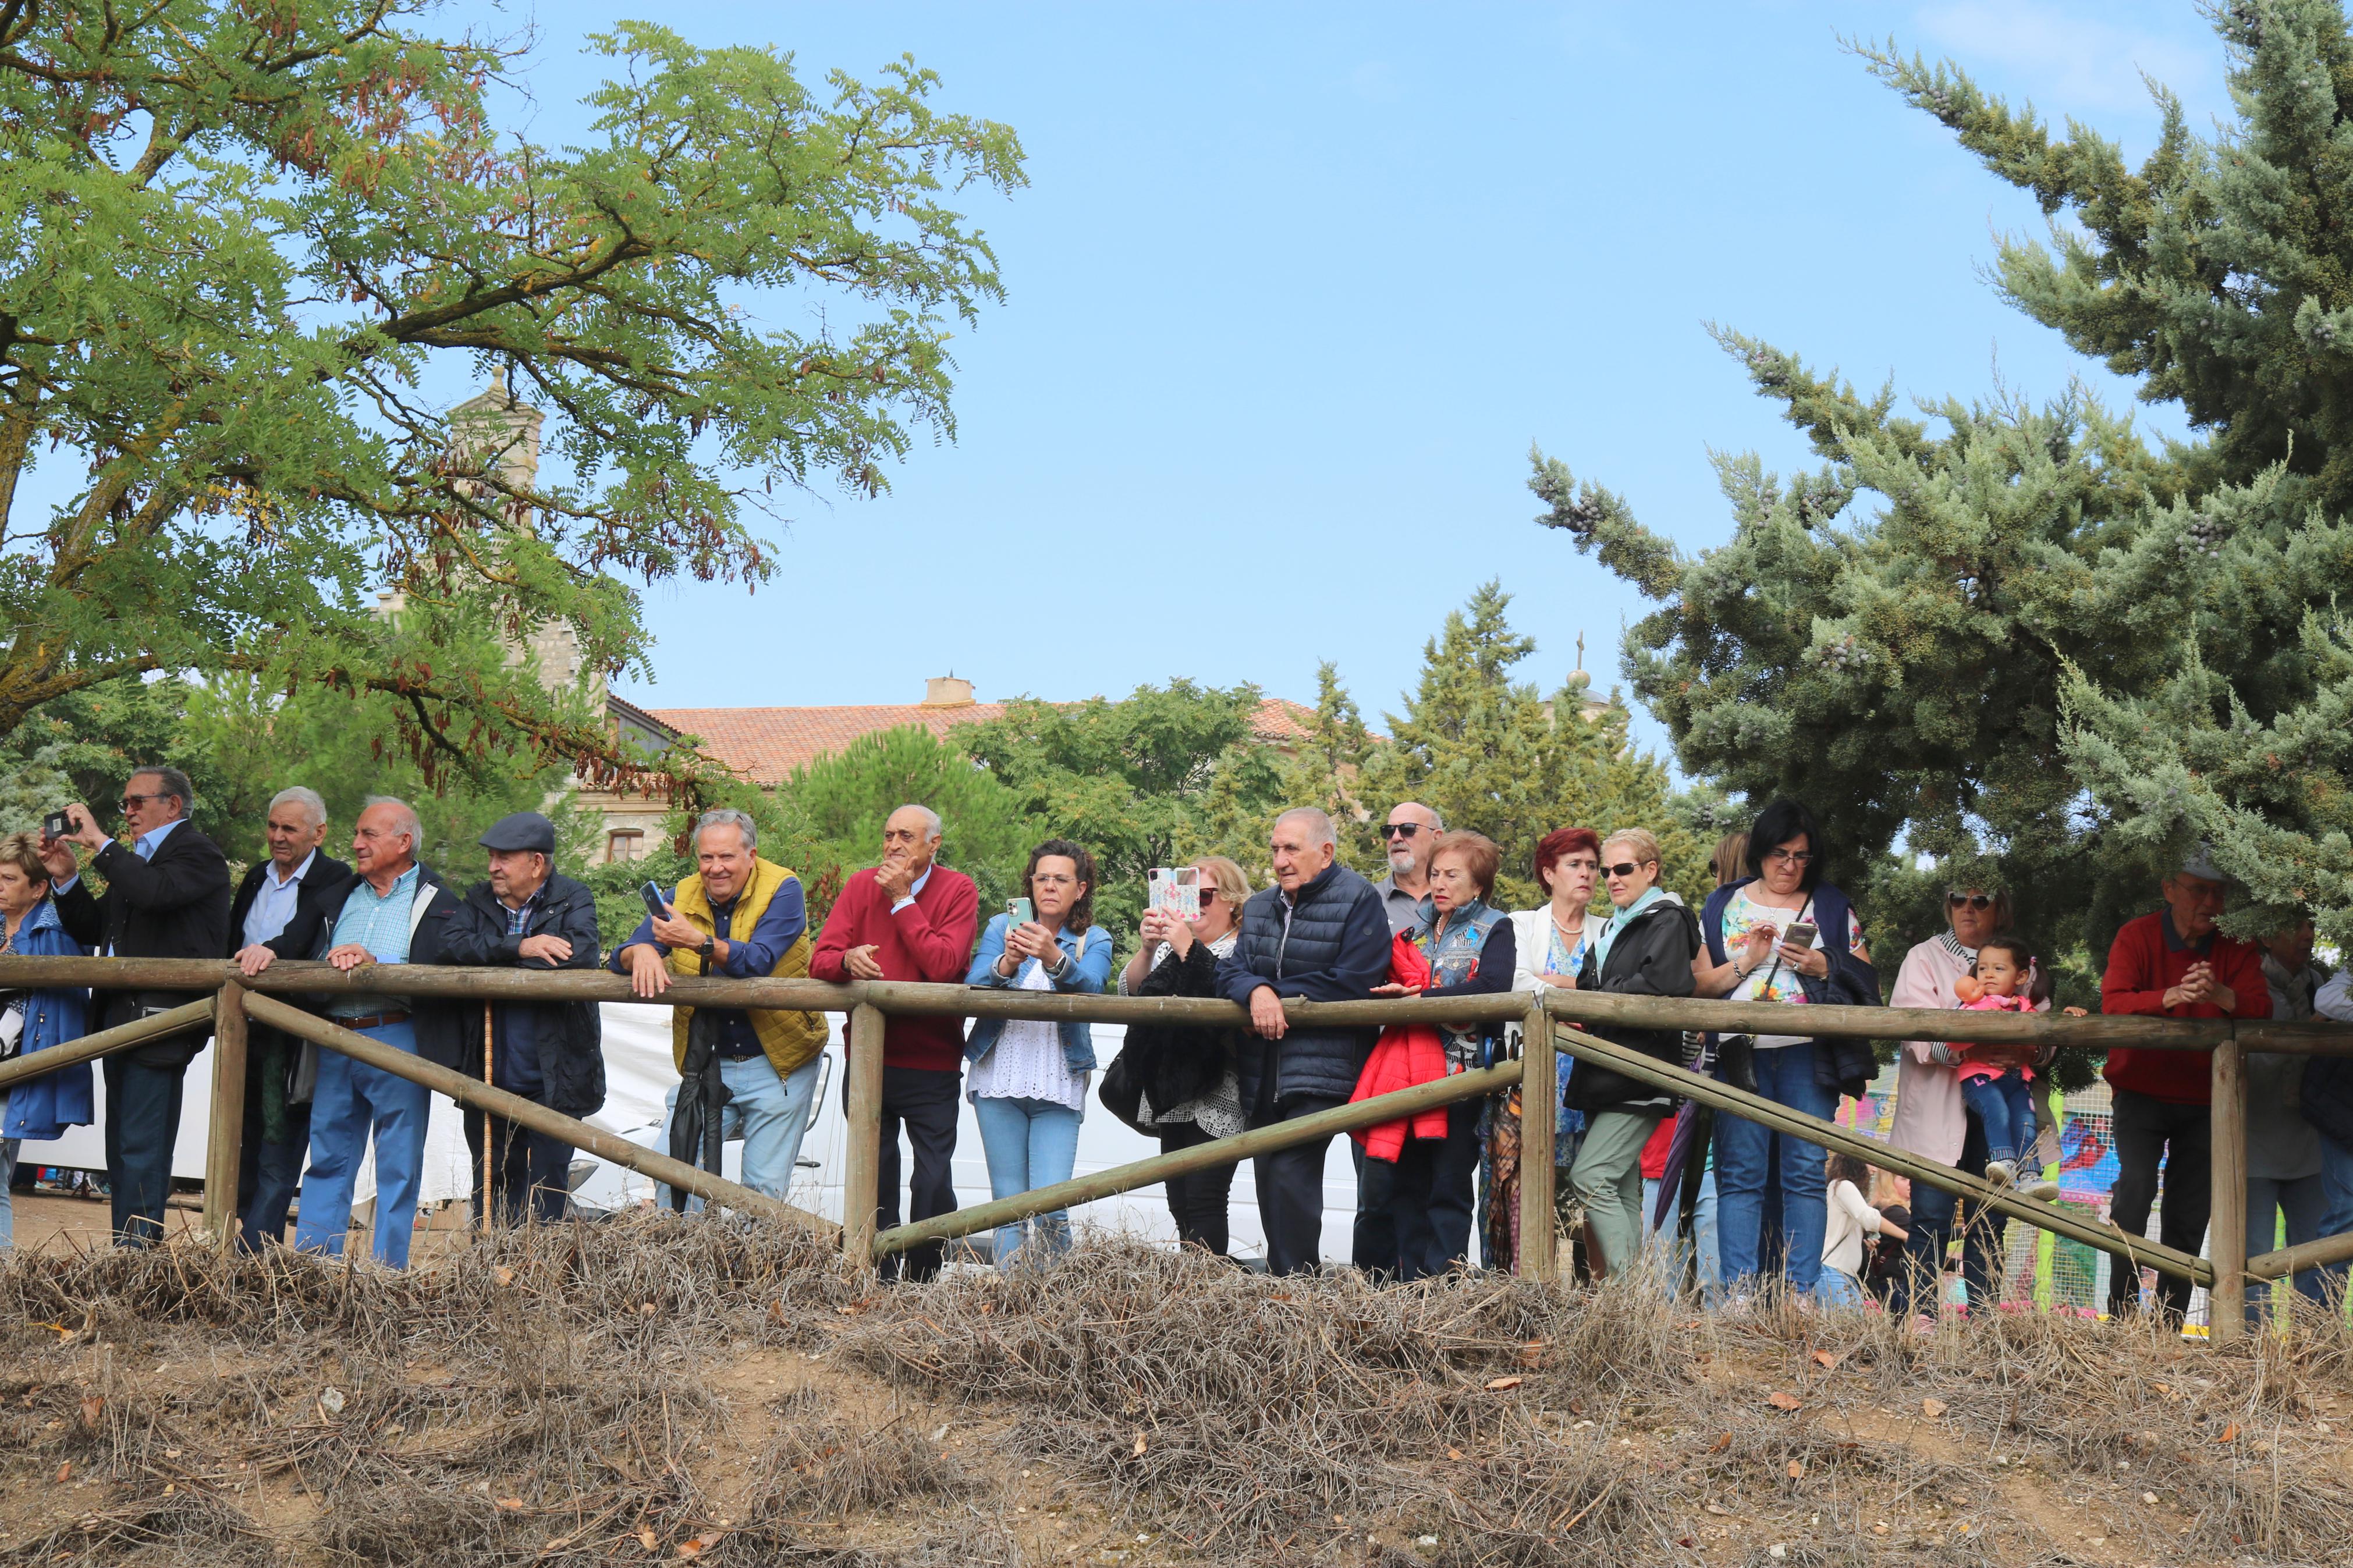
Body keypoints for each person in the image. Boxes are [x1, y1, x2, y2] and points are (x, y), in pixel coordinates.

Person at [244, 797, 465, 1268]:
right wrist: (267, 951)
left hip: (399, 1036)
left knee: (398, 1165)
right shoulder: (340, 891)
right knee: (328, 1157)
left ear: (403, 842)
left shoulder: (438, 900)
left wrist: (377, 966)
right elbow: (297, 939)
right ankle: (314, 1269)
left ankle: (386, 1274)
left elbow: (449, 968)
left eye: (368, 835)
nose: (356, 843)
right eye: (357, 834)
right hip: (335, 1037)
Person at [1693, 799, 1878, 1304]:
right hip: (1739, 1053)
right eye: (1779, 853)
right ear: (1758, 851)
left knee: (1802, 1171)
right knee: (1740, 1173)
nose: (1788, 865)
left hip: (1808, 1055)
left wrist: (1824, 964)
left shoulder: (1832, 905)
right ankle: (1739, 1294)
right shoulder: (1722, 905)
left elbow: (1867, 979)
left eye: (1800, 856)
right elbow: (1697, 986)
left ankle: (1801, 1293)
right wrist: (1748, 960)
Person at [38, 765, 232, 1245]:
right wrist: (66, 878)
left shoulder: (197, 851)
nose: (127, 812)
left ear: (172, 804)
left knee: (143, 1146)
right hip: (120, 1019)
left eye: (136, 802)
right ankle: (130, 1256)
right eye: (124, 804)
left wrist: (102, 843)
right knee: (122, 1149)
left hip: (162, 1020)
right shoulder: (137, 859)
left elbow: (156, 893)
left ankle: (139, 1256)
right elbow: (96, 929)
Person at [614, 809, 824, 1213]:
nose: (716, 868)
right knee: (671, 1175)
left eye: (726, 857)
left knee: (761, 1197)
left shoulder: (784, 887)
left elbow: (759, 960)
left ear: (751, 855)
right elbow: (626, 951)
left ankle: (754, 1276)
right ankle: (686, 1273)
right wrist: (639, 950)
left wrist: (698, 942)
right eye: (707, 858)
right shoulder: (679, 894)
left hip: (778, 1062)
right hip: (706, 1062)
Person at [1216, 807, 1390, 1275]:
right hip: (1263, 1070)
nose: (1279, 860)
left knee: (1292, 1177)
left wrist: (1276, 997)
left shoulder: (1359, 898)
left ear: (1326, 852)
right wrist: (1255, 991)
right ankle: (1287, 1293)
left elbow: (1355, 979)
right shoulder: (1258, 906)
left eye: (1291, 848)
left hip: (1325, 1070)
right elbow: (1231, 970)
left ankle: (1298, 1295)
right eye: (1274, 849)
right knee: (1270, 1181)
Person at [2099, 847, 2270, 1323]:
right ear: (2169, 889)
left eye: (2218, 892)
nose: (2211, 901)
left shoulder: (2237, 944)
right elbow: (2113, 1004)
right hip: (2139, 1092)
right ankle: (2119, 1310)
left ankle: (2169, 1321)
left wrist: (2220, 994)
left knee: (2190, 1211)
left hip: (2208, 1099)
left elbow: (2261, 1008)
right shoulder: (2135, 935)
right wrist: (2170, 996)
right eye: (2198, 889)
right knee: (2132, 1190)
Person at [810, 804, 980, 1282]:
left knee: (931, 1179)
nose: (893, 845)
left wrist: (903, 901)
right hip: (868, 1060)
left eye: (906, 835)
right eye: (888, 835)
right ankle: (878, 1277)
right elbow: (818, 959)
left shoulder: (958, 889)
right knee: (876, 1173)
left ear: (934, 844)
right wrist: (846, 960)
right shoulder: (861, 885)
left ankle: (922, 1279)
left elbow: (943, 966)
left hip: (931, 1061)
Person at [1355, 829, 1514, 1280]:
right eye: (1436, 874)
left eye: (1452, 875)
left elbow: (1493, 988)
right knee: (1404, 1186)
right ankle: (1409, 1289)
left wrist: (1421, 997)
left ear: (1479, 884)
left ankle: (1442, 1287)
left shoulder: (1494, 925)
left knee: (1447, 1187)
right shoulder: (1412, 930)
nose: (1440, 883)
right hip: (1407, 1073)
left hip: (1461, 1077)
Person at [1886, 882, 2046, 1320]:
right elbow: (1910, 1027)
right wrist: (1966, 1049)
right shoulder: (1923, 957)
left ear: (2001, 907)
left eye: (1980, 900)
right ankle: (1918, 1316)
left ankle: (1983, 1321)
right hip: (1941, 1106)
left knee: (1991, 1220)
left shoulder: (2020, 960)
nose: (1967, 908)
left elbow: (2044, 1026)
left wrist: (2021, 1049)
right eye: (1958, 899)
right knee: (1930, 1217)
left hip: (2001, 1104)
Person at [445, 812, 604, 1225]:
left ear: (536, 863)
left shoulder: (574, 896)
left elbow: (581, 954)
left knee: (548, 1190)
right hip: (489, 1074)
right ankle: (490, 1274)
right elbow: (451, 946)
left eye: (504, 858)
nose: (493, 866)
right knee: (492, 1186)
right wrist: (522, 946)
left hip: (558, 1077)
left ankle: (541, 1281)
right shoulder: (479, 900)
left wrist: (500, 961)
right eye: (492, 857)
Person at [961, 839, 1113, 1268]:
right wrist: (1007, 963)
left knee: (1051, 1205)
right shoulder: (1000, 927)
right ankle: (1011, 1311)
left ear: (1080, 888)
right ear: (1029, 882)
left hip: (1059, 1082)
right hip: (997, 1078)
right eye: (1041, 877)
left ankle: (1056, 1307)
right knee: (1008, 1208)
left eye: (1061, 879)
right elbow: (973, 983)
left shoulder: (1091, 938)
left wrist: (1053, 956)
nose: (1049, 886)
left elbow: (1093, 987)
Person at [1565, 828, 1700, 1280]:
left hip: (1640, 1067)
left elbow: (1662, 985)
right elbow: (1587, 985)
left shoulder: (1669, 917)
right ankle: (1633, 1306)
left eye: (1622, 869)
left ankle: (1630, 1298)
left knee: (1590, 1178)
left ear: (1650, 870)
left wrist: (1604, 994)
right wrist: (1607, 993)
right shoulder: (1612, 925)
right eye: (1605, 871)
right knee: (1620, 1188)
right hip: (1605, 1068)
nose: (1610, 879)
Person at [225, 787, 353, 1249]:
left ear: (318, 833)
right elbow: (231, 937)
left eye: (289, 828)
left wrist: (271, 952)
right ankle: (244, 1235)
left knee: (281, 1136)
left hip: (295, 1029)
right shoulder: (257, 876)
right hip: (242, 1024)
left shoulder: (336, 877)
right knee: (241, 1132)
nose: (278, 836)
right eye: (273, 826)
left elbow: (304, 933)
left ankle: (255, 1247)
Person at [1109, 856, 1252, 1256]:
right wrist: (1149, 946)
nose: (1196, 905)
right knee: (1180, 1202)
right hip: (1173, 1088)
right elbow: (1131, 993)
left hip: (1221, 1087)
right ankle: (1193, 1291)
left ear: (1232, 901)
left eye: (1204, 895)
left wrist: (1187, 945)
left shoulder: (1245, 945)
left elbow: (1222, 991)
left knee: (1205, 1198)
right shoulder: (1177, 946)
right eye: (1189, 895)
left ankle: (1206, 1297)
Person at [1494, 827, 1603, 1273]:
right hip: (1532, 1082)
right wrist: (1581, 990)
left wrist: (1557, 984)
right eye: (1575, 864)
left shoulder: (1609, 928)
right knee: (1523, 1191)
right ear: (1548, 872)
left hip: (1594, 1080)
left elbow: (1616, 991)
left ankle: (1598, 1295)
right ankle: (1527, 1290)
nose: (1587, 874)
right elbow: (1517, 982)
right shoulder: (1521, 923)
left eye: (1592, 866)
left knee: (1596, 1191)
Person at [0, 833, 95, 1249]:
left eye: (8, 879)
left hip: (17, 1071)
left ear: (38, 888)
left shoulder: (56, 937)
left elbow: (63, 1017)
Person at [2244, 917, 2328, 1321]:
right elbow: (2248, 1063)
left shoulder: (2323, 987)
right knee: (2253, 1261)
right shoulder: (2246, 983)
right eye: (2294, 926)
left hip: (2310, 1144)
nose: (2306, 935)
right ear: (2264, 932)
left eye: (2310, 925)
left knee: (2316, 1255)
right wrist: (2304, 1038)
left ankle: (2315, 1353)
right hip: (2253, 1144)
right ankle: (2248, 1358)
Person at [1950, 938, 2075, 1200]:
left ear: (2021, 977)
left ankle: (2030, 1175)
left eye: (1998, 969)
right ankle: (2004, 1162)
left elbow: (2040, 1042)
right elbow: (1952, 1041)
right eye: (1982, 969)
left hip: (2018, 1080)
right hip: (1980, 1078)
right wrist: (1976, 1032)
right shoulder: (1973, 1006)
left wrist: (2065, 1018)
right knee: (1997, 1109)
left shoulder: (2025, 1007)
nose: (1989, 975)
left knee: (2026, 1120)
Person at [1819, 1152, 1907, 1307]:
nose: (1874, 1170)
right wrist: (1906, 1236)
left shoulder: (1838, 1187)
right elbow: (1869, 1217)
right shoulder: (1843, 1185)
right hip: (1833, 1272)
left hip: (1845, 1274)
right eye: (1870, 1163)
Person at [1372, 802, 1444, 936]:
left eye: (1407, 829)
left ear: (1436, 838)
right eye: (1389, 831)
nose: (1396, 838)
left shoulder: (1458, 898)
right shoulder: (1369, 901)